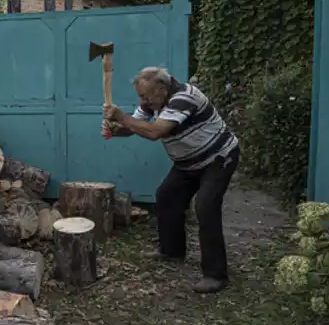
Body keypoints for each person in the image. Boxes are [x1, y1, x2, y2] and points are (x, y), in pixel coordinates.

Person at [101, 66, 240, 294]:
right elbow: (137, 125)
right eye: (141, 97)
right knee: (166, 196)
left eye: (146, 96)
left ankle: (215, 275)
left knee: (205, 206)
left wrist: (121, 117)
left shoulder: (185, 97)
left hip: (218, 158)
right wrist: (116, 129)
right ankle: (172, 250)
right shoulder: (153, 100)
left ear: (162, 88)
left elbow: (156, 131)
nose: (144, 101)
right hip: (188, 163)